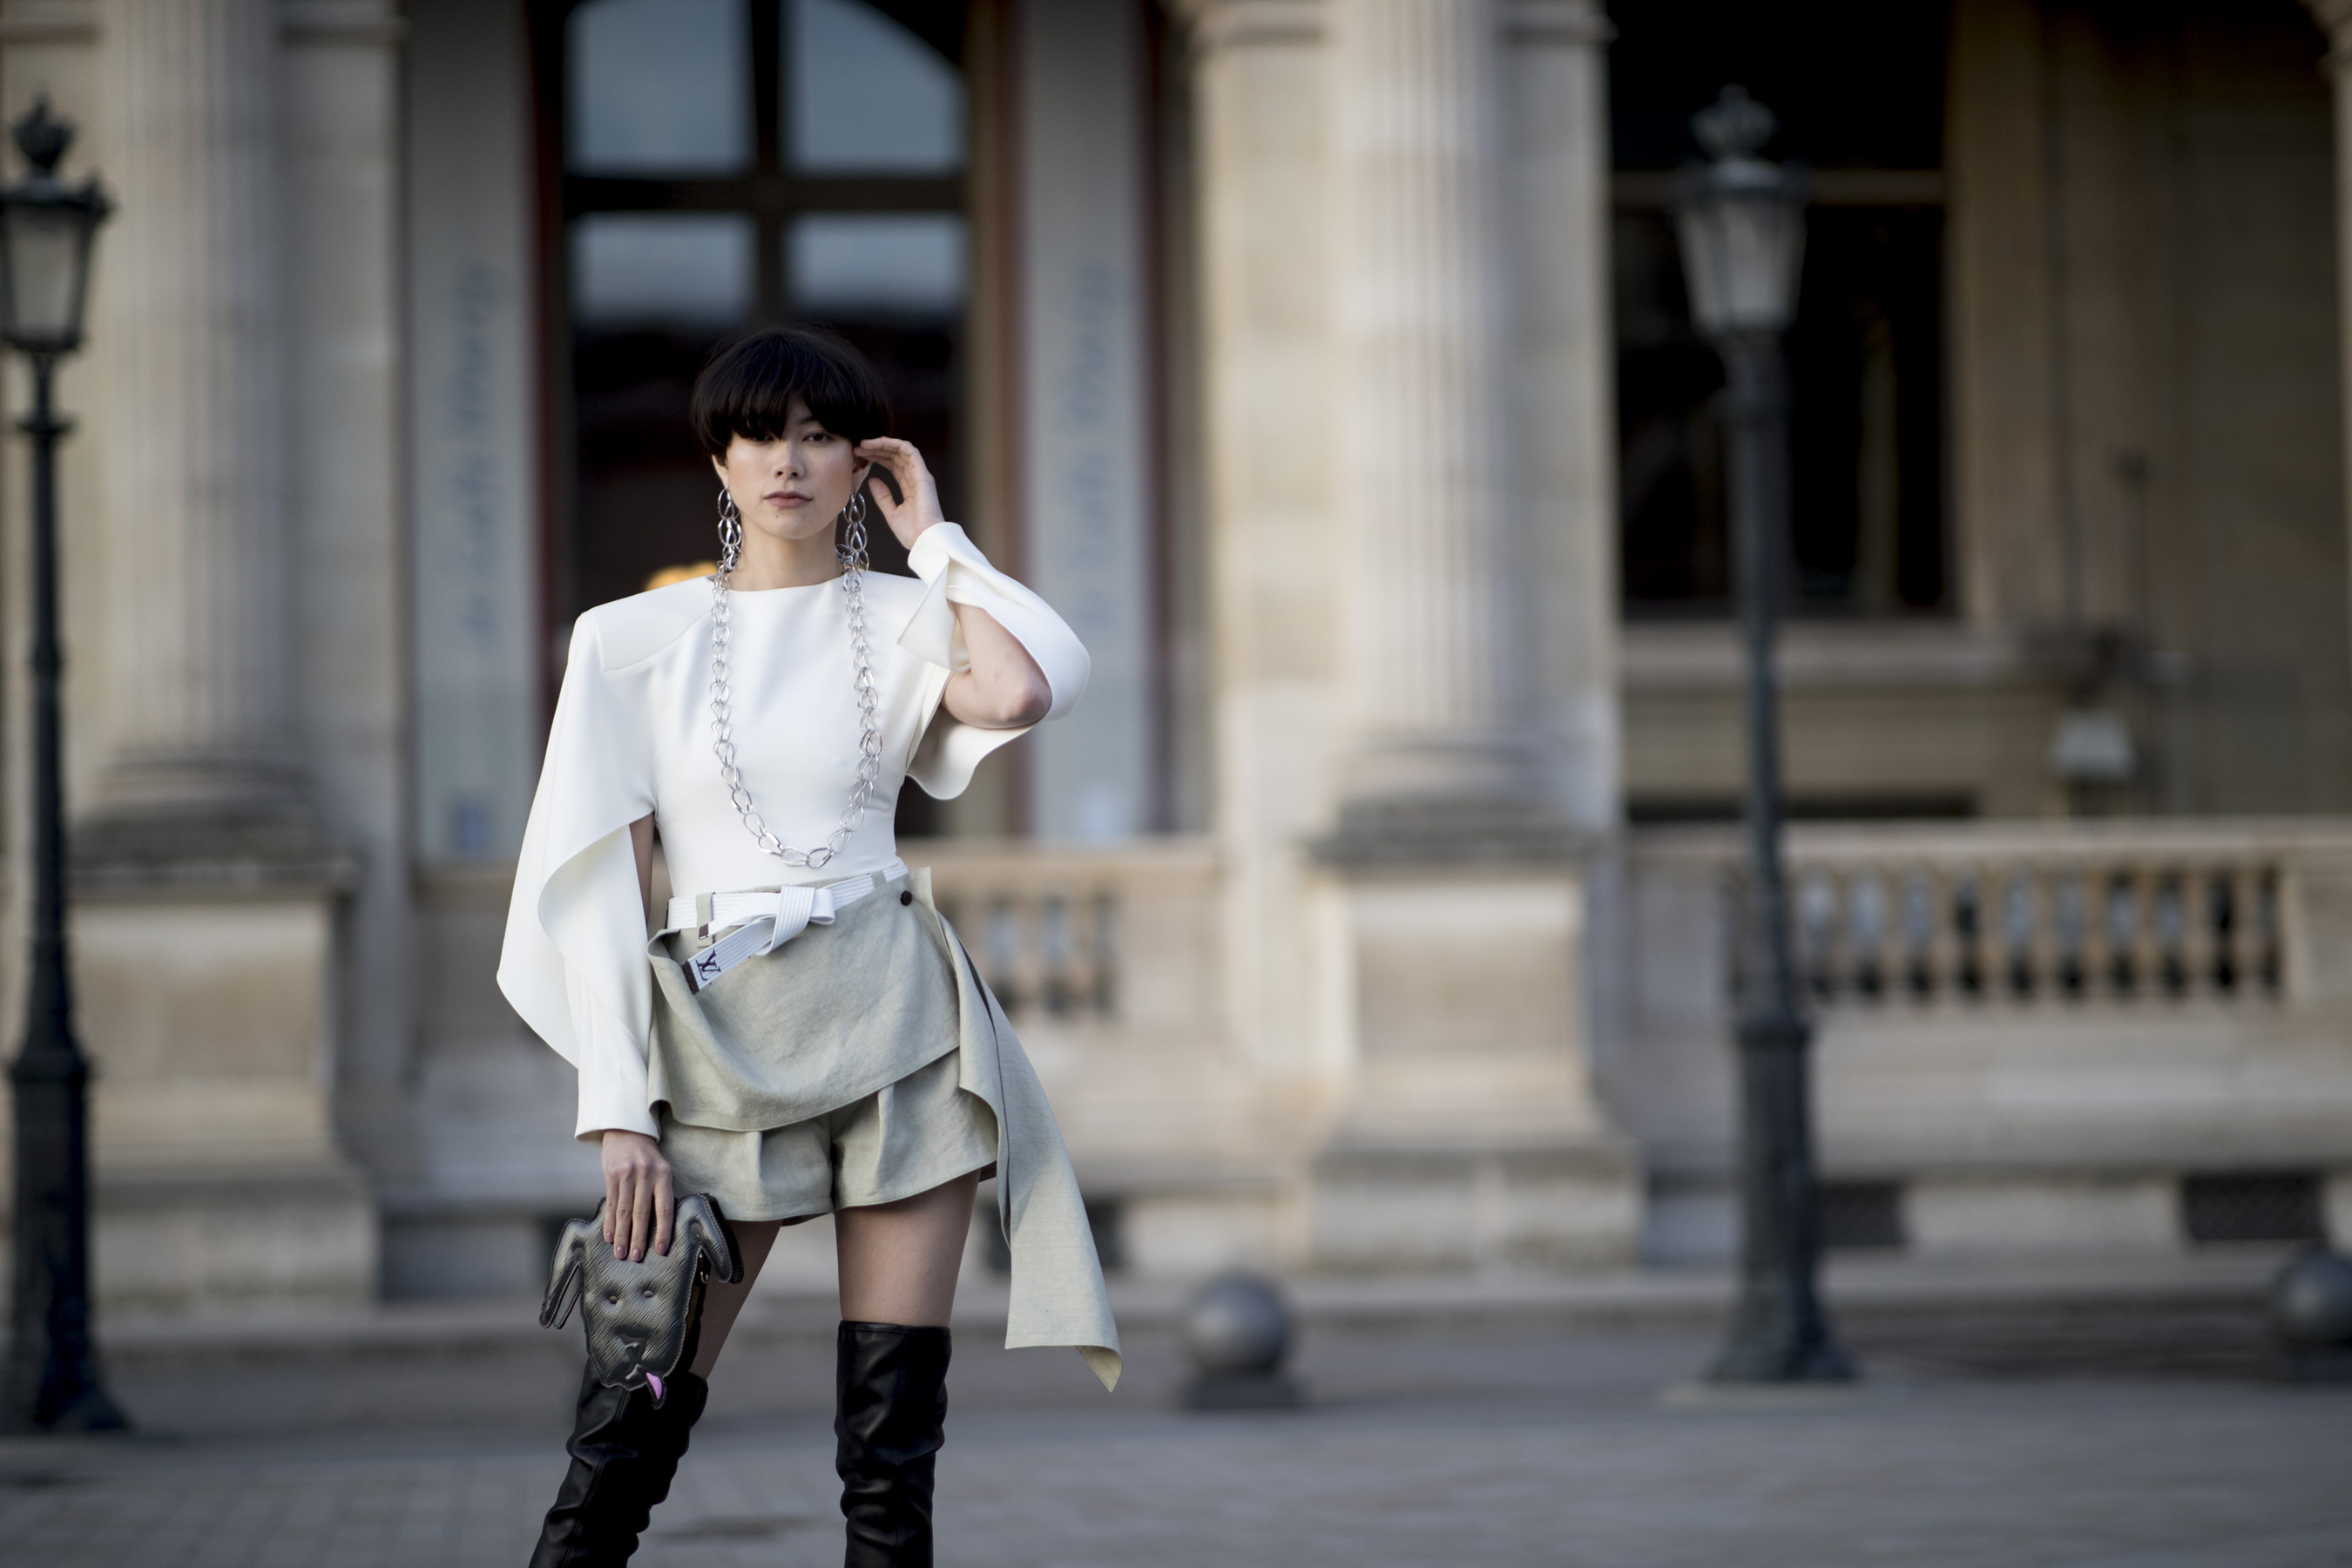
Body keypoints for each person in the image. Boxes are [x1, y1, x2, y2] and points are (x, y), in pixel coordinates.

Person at [498, 326, 1119, 1567]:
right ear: (717, 460)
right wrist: (621, 1107)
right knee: (631, 1417)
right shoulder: (628, 641)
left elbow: (1019, 692)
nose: (788, 459)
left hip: (899, 1020)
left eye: (821, 435)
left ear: (859, 463)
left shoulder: (905, 617)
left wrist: (934, 538)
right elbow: (602, 890)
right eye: (759, 434)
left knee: (891, 1453)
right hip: (720, 1041)